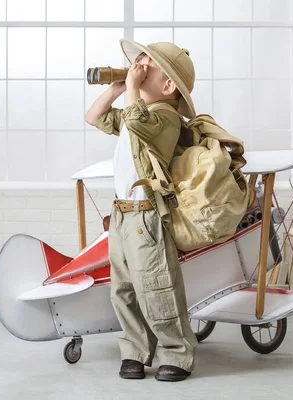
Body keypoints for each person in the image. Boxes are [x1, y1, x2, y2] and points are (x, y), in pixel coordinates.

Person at [85, 39, 198, 382]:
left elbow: (136, 125)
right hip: (122, 213)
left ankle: (177, 353)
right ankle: (135, 351)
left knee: (156, 284)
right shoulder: (138, 110)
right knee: (124, 288)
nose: (138, 68)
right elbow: (94, 117)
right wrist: (120, 87)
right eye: (138, 64)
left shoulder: (166, 118)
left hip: (146, 213)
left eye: (147, 66)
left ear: (167, 86)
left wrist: (133, 89)